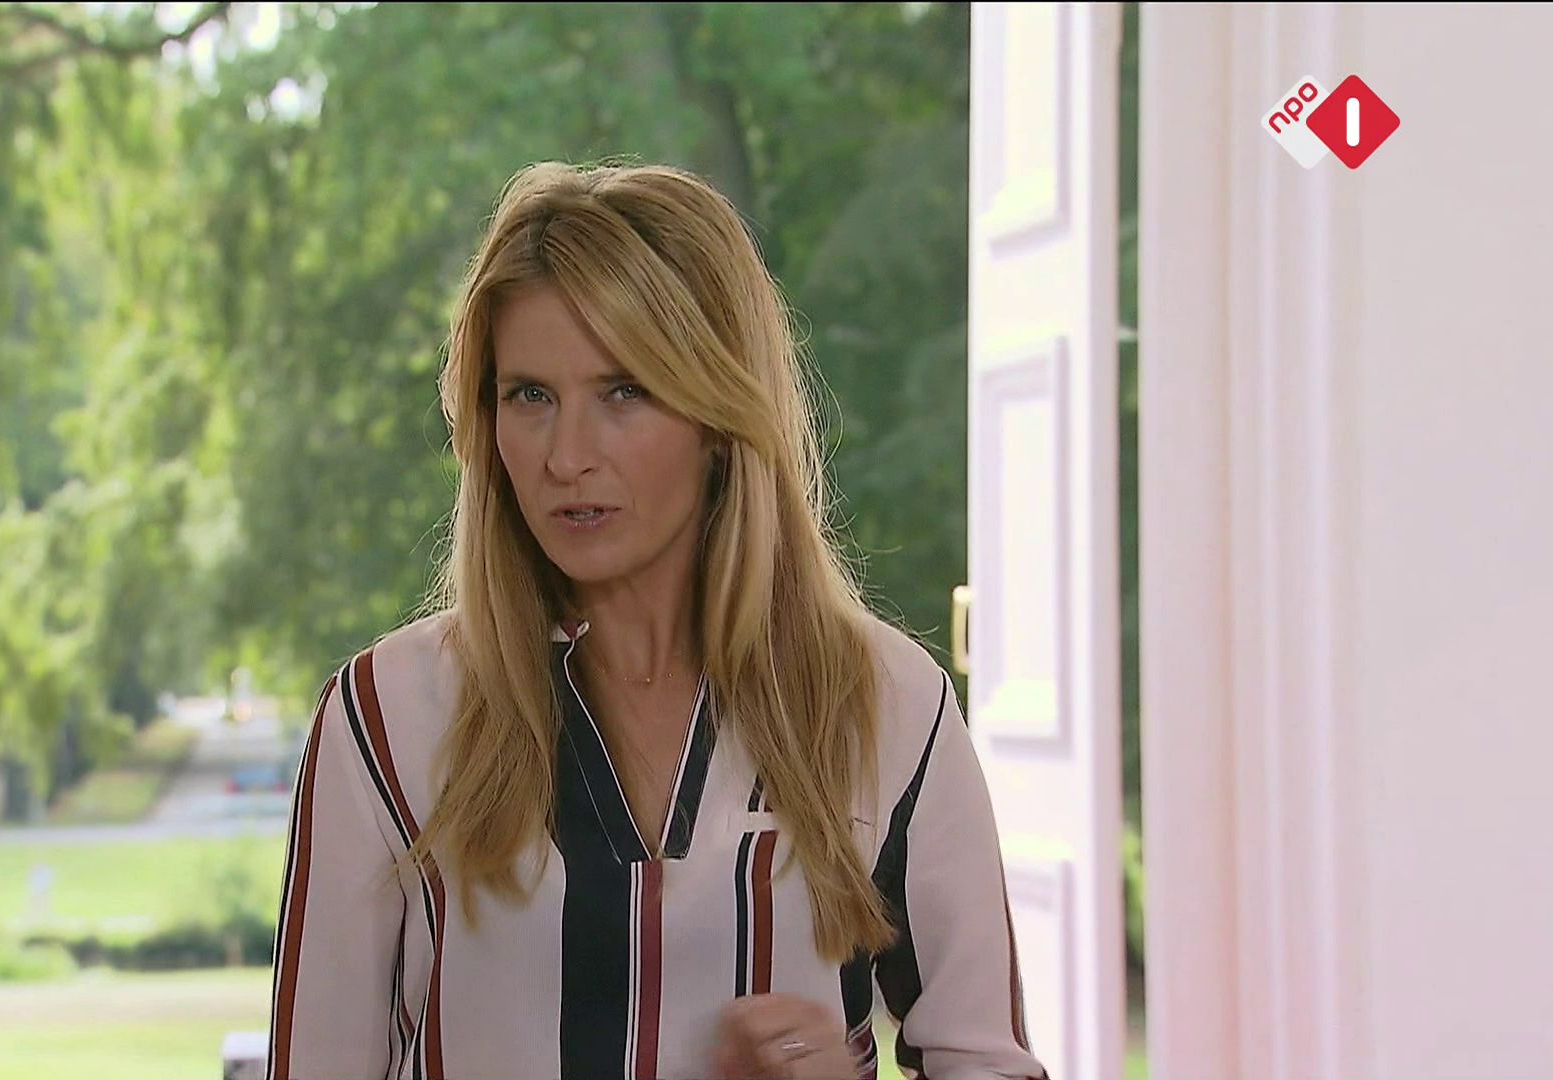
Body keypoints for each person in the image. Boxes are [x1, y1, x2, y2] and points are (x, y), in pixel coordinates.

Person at [265, 160, 1048, 1080]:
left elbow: (989, 1062)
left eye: (624, 390)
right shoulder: (387, 717)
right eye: (530, 395)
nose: (566, 457)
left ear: (720, 414)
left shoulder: (889, 709)